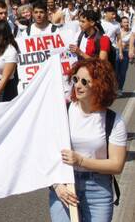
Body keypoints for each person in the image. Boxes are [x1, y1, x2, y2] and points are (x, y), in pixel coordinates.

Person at [49, 59, 127, 222]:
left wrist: (81, 160)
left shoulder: (114, 121)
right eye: (75, 79)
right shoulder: (63, 111)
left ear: (100, 85)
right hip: (65, 186)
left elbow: (116, 165)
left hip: (98, 189)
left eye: (84, 81)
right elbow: (46, 152)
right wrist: (56, 185)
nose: (77, 85)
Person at [115, 16, 131, 94]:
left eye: (127, 22)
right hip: (117, 52)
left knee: (123, 72)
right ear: (121, 23)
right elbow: (116, 42)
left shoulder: (131, 32)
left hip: (126, 53)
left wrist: (127, 46)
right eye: (124, 22)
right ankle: (114, 88)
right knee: (116, 72)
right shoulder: (118, 31)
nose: (126, 24)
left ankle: (120, 89)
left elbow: (133, 44)